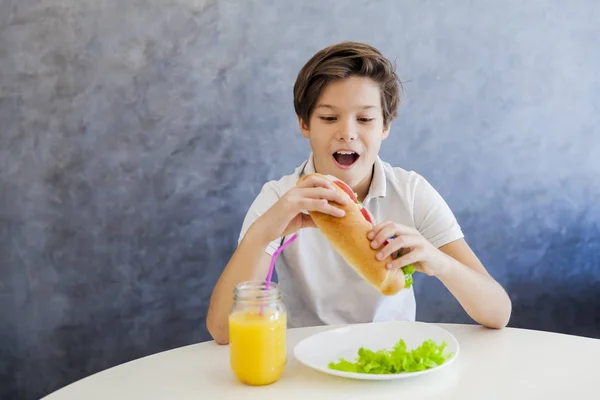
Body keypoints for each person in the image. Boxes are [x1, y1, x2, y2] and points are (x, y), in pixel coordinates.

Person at [206, 41, 511, 344]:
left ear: (385, 126)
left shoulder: (411, 191)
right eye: (328, 118)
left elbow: (498, 313)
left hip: (392, 362)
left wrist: (437, 261)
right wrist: (263, 233)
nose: (347, 132)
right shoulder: (279, 198)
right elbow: (223, 330)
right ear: (304, 123)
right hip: (307, 364)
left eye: (364, 119)